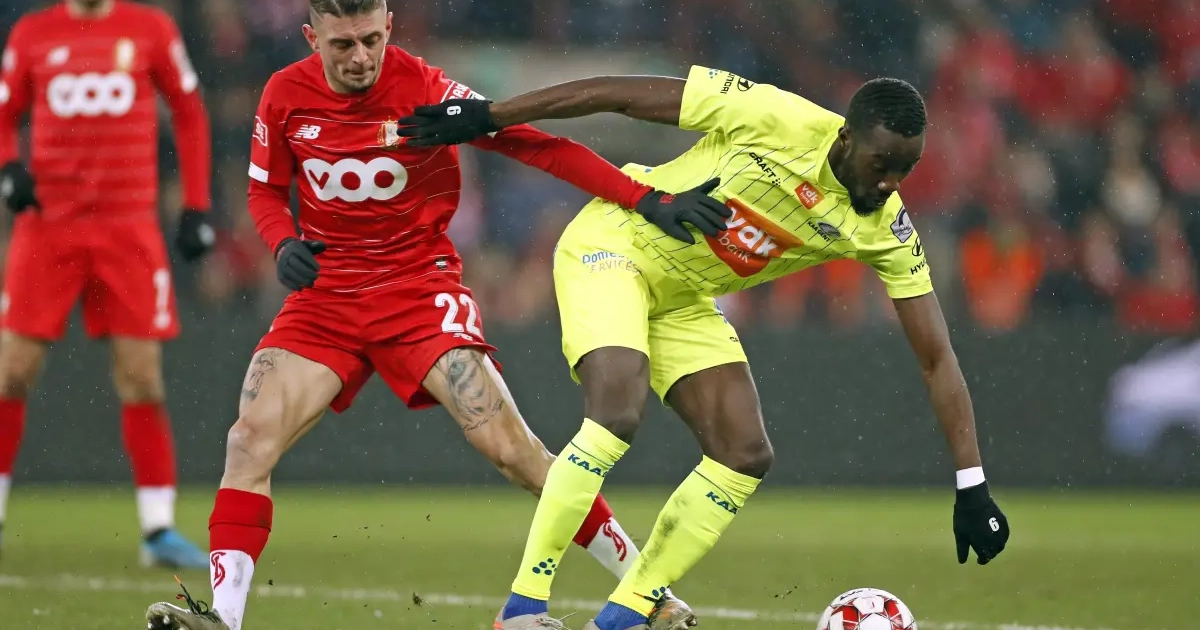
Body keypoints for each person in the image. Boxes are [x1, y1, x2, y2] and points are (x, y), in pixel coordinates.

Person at [142, 2, 735, 630]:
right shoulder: (284, 94)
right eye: (343, 45)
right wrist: (282, 242)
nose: (360, 58)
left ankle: (650, 597)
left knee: (513, 451)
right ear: (312, 37)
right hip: (327, 298)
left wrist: (645, 198)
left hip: (417, 294)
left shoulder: (427, 92)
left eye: (371, 39)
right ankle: (224, 619)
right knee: (247, 440)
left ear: (389, 27)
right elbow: (264, 189)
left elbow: (539, 147)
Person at [397, 67, 1014, 630]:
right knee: (616, 412)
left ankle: (624, 618)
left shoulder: (886, 229)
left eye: (905, 168)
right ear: (846, 139)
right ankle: (523, 609)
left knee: (743, 453)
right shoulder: (777, 119)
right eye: (882, 163)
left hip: (683, 294)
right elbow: (622, 94)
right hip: (614, 244)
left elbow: (936, 358)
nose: (890, 183)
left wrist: (972, 483)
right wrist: (494, 114)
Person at [0, 0, 215, 568]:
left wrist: (196, 205)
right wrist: (8, 165)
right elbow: (4, 112)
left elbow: (189, 111)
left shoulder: (151, 29)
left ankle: (158, 530)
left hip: (128, 227)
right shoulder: (32, 34)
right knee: (12, 369)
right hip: (48, 225)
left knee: (142, 376)